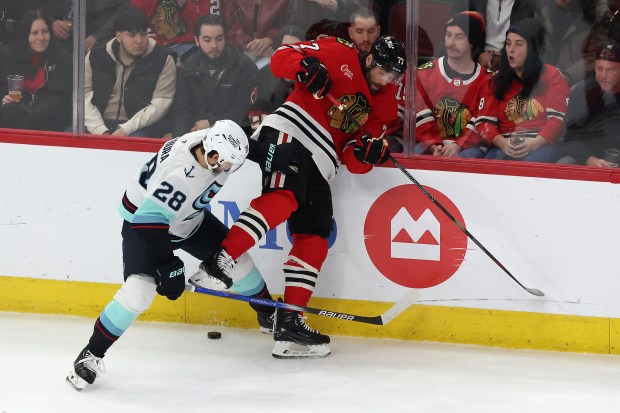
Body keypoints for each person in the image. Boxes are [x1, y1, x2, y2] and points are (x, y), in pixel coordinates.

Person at [200, 35, 407, 359]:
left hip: (322, 161)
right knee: (284, 196)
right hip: (290, 132)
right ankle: (219, 262)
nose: (387, 80)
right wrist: (304, 67)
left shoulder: (386, 106)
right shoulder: (339, 51)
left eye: (393, 76)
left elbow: (353, 160)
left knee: (315, 232)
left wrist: (368, 153)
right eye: (383, 72)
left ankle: (290, 324)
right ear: (370, 60)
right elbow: (281, 57)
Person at [65, 119, 305, 390]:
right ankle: (90, 354)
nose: (230, 169)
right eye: (227, 164)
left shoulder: (211, 141)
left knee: (233, 260)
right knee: (139, 290)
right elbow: (147, 223)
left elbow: (237, 141)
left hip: (187, 220)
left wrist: (265, 153)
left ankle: (267, 315)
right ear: (213, 157)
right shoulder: (183, 175)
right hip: (143, 225)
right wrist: (168, 267)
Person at [475, 17, 570, 162]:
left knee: (529, 167)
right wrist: (502, 143)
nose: (511, 50)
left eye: (519, 44)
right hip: (504, 144)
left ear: (533, 48)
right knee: (489, 169)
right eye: (508, 44)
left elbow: (557, 121)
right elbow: (484, 123)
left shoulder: (553, 76)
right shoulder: (495, 80)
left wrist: (534, 144)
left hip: (541, 144)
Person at [84, 7, 176, 137]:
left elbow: (161, 102)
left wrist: (125, 129)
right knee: (68, 139)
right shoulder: (95, 56)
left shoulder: (162, 58)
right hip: (96, 123)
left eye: (143, 34)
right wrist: (100, 131)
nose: (139, 40)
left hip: (140, 126)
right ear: (118, 36)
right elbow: (82, 97)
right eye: (132, 35)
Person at [415, 11, 492, 158]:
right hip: (430, 146)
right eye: (448, 35)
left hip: (468, 148)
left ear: (472, 41)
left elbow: (482, 119)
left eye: (459, 37)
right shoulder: (424, 74)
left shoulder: (487, 79)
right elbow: (420, 116)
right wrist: (434, 146)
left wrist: (458, 145)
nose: (451, 42)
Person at [170, 14, 258, 137]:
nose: (214, 45)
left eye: (219, 39)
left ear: (225, 38)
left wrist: (213, 123)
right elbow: (181, 111)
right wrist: (180, 140)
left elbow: (246, 109)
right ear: (197, 41)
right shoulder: (188, 68)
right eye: (207, 40)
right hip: (196, 134)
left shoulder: (244, 66)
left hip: (234, 135)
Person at [0, 9, 72, 131]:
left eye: (45, 32)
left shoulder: (63, 59)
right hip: (13, 121)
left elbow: (58, 102)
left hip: (50, 125)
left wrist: (25, 115)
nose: (41, 37)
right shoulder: (10, 56)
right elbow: (3, 89)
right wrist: (4, 100)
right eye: (35, 33)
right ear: (25, 35)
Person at [557, 40, 620, 165]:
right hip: (589, 160)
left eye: (610, 70)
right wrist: (589, 159)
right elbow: (567, 138)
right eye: (599, 68)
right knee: (565, 162)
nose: (603, 75)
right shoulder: (581, 93)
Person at [536, 0, 607, 86]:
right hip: (547, 79)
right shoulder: (543, 12)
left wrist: (567, 75)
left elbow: (601, 52)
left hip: (583, 81)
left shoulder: (599, 12)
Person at [452, 0, 536, 70]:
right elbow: (455, 32)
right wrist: (478, 54)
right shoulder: (471, 2)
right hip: (473, 61)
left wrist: (505, 58)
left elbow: (532, 41)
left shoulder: (528, 3)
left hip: (511, 64)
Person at [131, 0, 213, 60]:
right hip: (151, 45)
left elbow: (203, 24)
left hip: (187, 45)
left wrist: (184, 4)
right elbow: (136, 21)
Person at [220, 0, 291, 63]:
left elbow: (292, 24)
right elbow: (231, 26)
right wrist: (253, 47)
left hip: (273, 49)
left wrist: (270, 39)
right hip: (240, 49)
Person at [50, 0, 131, 53]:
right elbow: (40, 6)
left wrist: (97, 37)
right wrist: (52, 21)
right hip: (60, 42)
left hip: (100, 45)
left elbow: (125, 9)